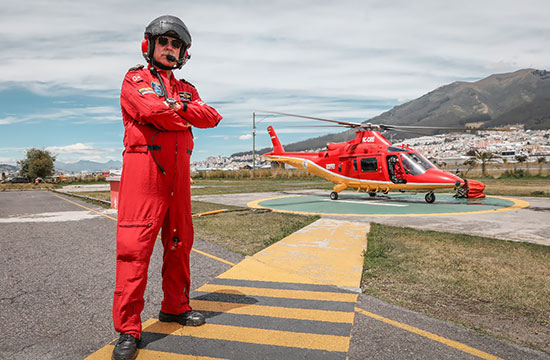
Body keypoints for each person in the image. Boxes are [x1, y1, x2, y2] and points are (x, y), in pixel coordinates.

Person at [112, 15, 222, 360]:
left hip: (178, 180)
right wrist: (182, 114)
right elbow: (148, 108)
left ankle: (175, 306)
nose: (169, 48)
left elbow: (211, 117)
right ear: (150, 45)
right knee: (134, 250)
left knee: (180, 243)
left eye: (176, 44)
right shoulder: (135, 79)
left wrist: (177, 107)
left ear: (183, 52)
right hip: (144, 177)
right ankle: (128, 329)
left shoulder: (187, 88)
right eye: (164, 42)